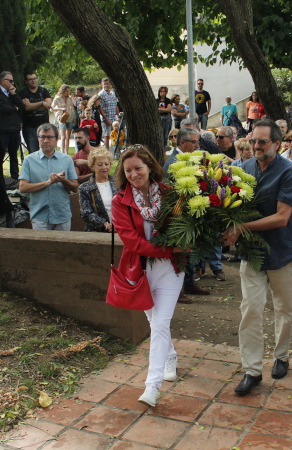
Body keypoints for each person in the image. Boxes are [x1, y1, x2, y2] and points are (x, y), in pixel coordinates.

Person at [221, 119, 292, 396]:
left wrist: (240, 228)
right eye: (253, 140)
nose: (255, 146)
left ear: (277, 144)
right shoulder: (242, 169)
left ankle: (281, 355)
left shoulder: (290, 172)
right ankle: (252, 370)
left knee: (284, 308)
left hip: (283, 251)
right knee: (251, 309)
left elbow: (283, 218)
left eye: (262, 142)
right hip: (251, 253)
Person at [111, 145, 186, 407]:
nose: (133, 174)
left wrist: (179, 248)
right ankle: (171, 356)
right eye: (128, 170)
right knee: (156, 323)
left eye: (138, 168)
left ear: (150, 168)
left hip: (170, 270)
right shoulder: (120, 201)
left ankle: (152, 387)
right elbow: (132, 242)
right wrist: (169, 248)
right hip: (139, 272)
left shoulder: (169, 194)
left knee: (160, 324)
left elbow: (184, 227)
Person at [162, 127, 209, 303]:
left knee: (190, 252)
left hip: (190, 212)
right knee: (180, 253)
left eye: (198, 141)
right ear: (183, 143)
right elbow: (173, 192)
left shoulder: (189, 158)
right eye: (194, 142)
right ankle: (178, 290)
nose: (198, 145)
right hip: (178, 215)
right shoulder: (173, 162)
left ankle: (189, 283)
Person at [19, 123, 79, 231]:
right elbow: (23, 188)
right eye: (42, 137)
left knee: (62, 247)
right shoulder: (29, 160)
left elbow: (75, 187)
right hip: (39, 216)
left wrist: (63, 180)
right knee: (42, 248)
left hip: (62, 215)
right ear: (38, 139)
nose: (46, 140)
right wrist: (47, 183)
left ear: (56, 139)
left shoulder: (66, 159)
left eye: (50, 137)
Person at [0, 71, 25, 179]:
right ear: (3, 81)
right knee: (0, 153)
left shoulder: (11, 94)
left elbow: (21, 105)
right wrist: (14, 108)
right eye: (10, 81)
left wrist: (14, 94)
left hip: (14, 128)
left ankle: (14, 176)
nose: (12, 83)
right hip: (2, 129)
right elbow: (0, 108)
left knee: (14, 154)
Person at [79, 146, 117, 232]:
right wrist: (104, 224)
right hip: (97, 232)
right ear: (92, 166)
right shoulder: (85, 188)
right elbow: (86, 213)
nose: (104, 167)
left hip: (120, 230)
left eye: (106, 164)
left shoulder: (118, 183)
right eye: (100, 164)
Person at [19, 72, 52, 154]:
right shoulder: (23, 93)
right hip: (30, 128)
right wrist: (41, 103)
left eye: (35, 78)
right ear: (26, 81)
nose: (33, 81)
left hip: (45, 127)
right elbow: (26, 107)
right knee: (34, 153)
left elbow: (48, 105)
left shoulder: (44, 91)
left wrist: (32, 105)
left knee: (47, 152)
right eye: (30, 79)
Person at [51, 84, 76, 155]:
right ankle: (62, 152)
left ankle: (66, 152)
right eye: (66, 91)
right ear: (63, 91)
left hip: (69, 117)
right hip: (61, 117)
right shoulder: (57, 98)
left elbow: (73, 106)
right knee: (63, 136)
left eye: (69, 91)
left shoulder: (69, 98)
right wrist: (60, 109)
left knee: (68, 136)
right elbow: (52, 108)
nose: (68, 92)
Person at [98, 78, 120, 148]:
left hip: (114, 117)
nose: (106, 85)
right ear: (102, 85)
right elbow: (100, 107)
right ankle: (107, 151)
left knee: (115, 134)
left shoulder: (113, 93)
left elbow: (115, 105)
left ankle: (115, 150)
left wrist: (118, 116)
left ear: (110, 84)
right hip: (106, 118)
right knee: (107, 135)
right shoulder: (101, 94)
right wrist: (106, 119)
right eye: (104, 84)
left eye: (107, 83)